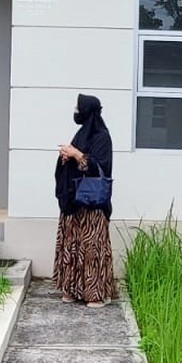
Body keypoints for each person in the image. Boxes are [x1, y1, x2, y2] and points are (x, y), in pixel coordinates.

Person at [54, 94, 118, 307]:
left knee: (92, 249)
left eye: (78, 108)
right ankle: (71, 290)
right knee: (72, 246)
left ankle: (95, 293)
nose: (75, 111)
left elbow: (99, 166)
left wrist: (78, 155)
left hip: (92, 206)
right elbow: (75, 160)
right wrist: (66, 158)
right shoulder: (81, 134)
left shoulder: (102, 137)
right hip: (74, 203)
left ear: (88, 111)